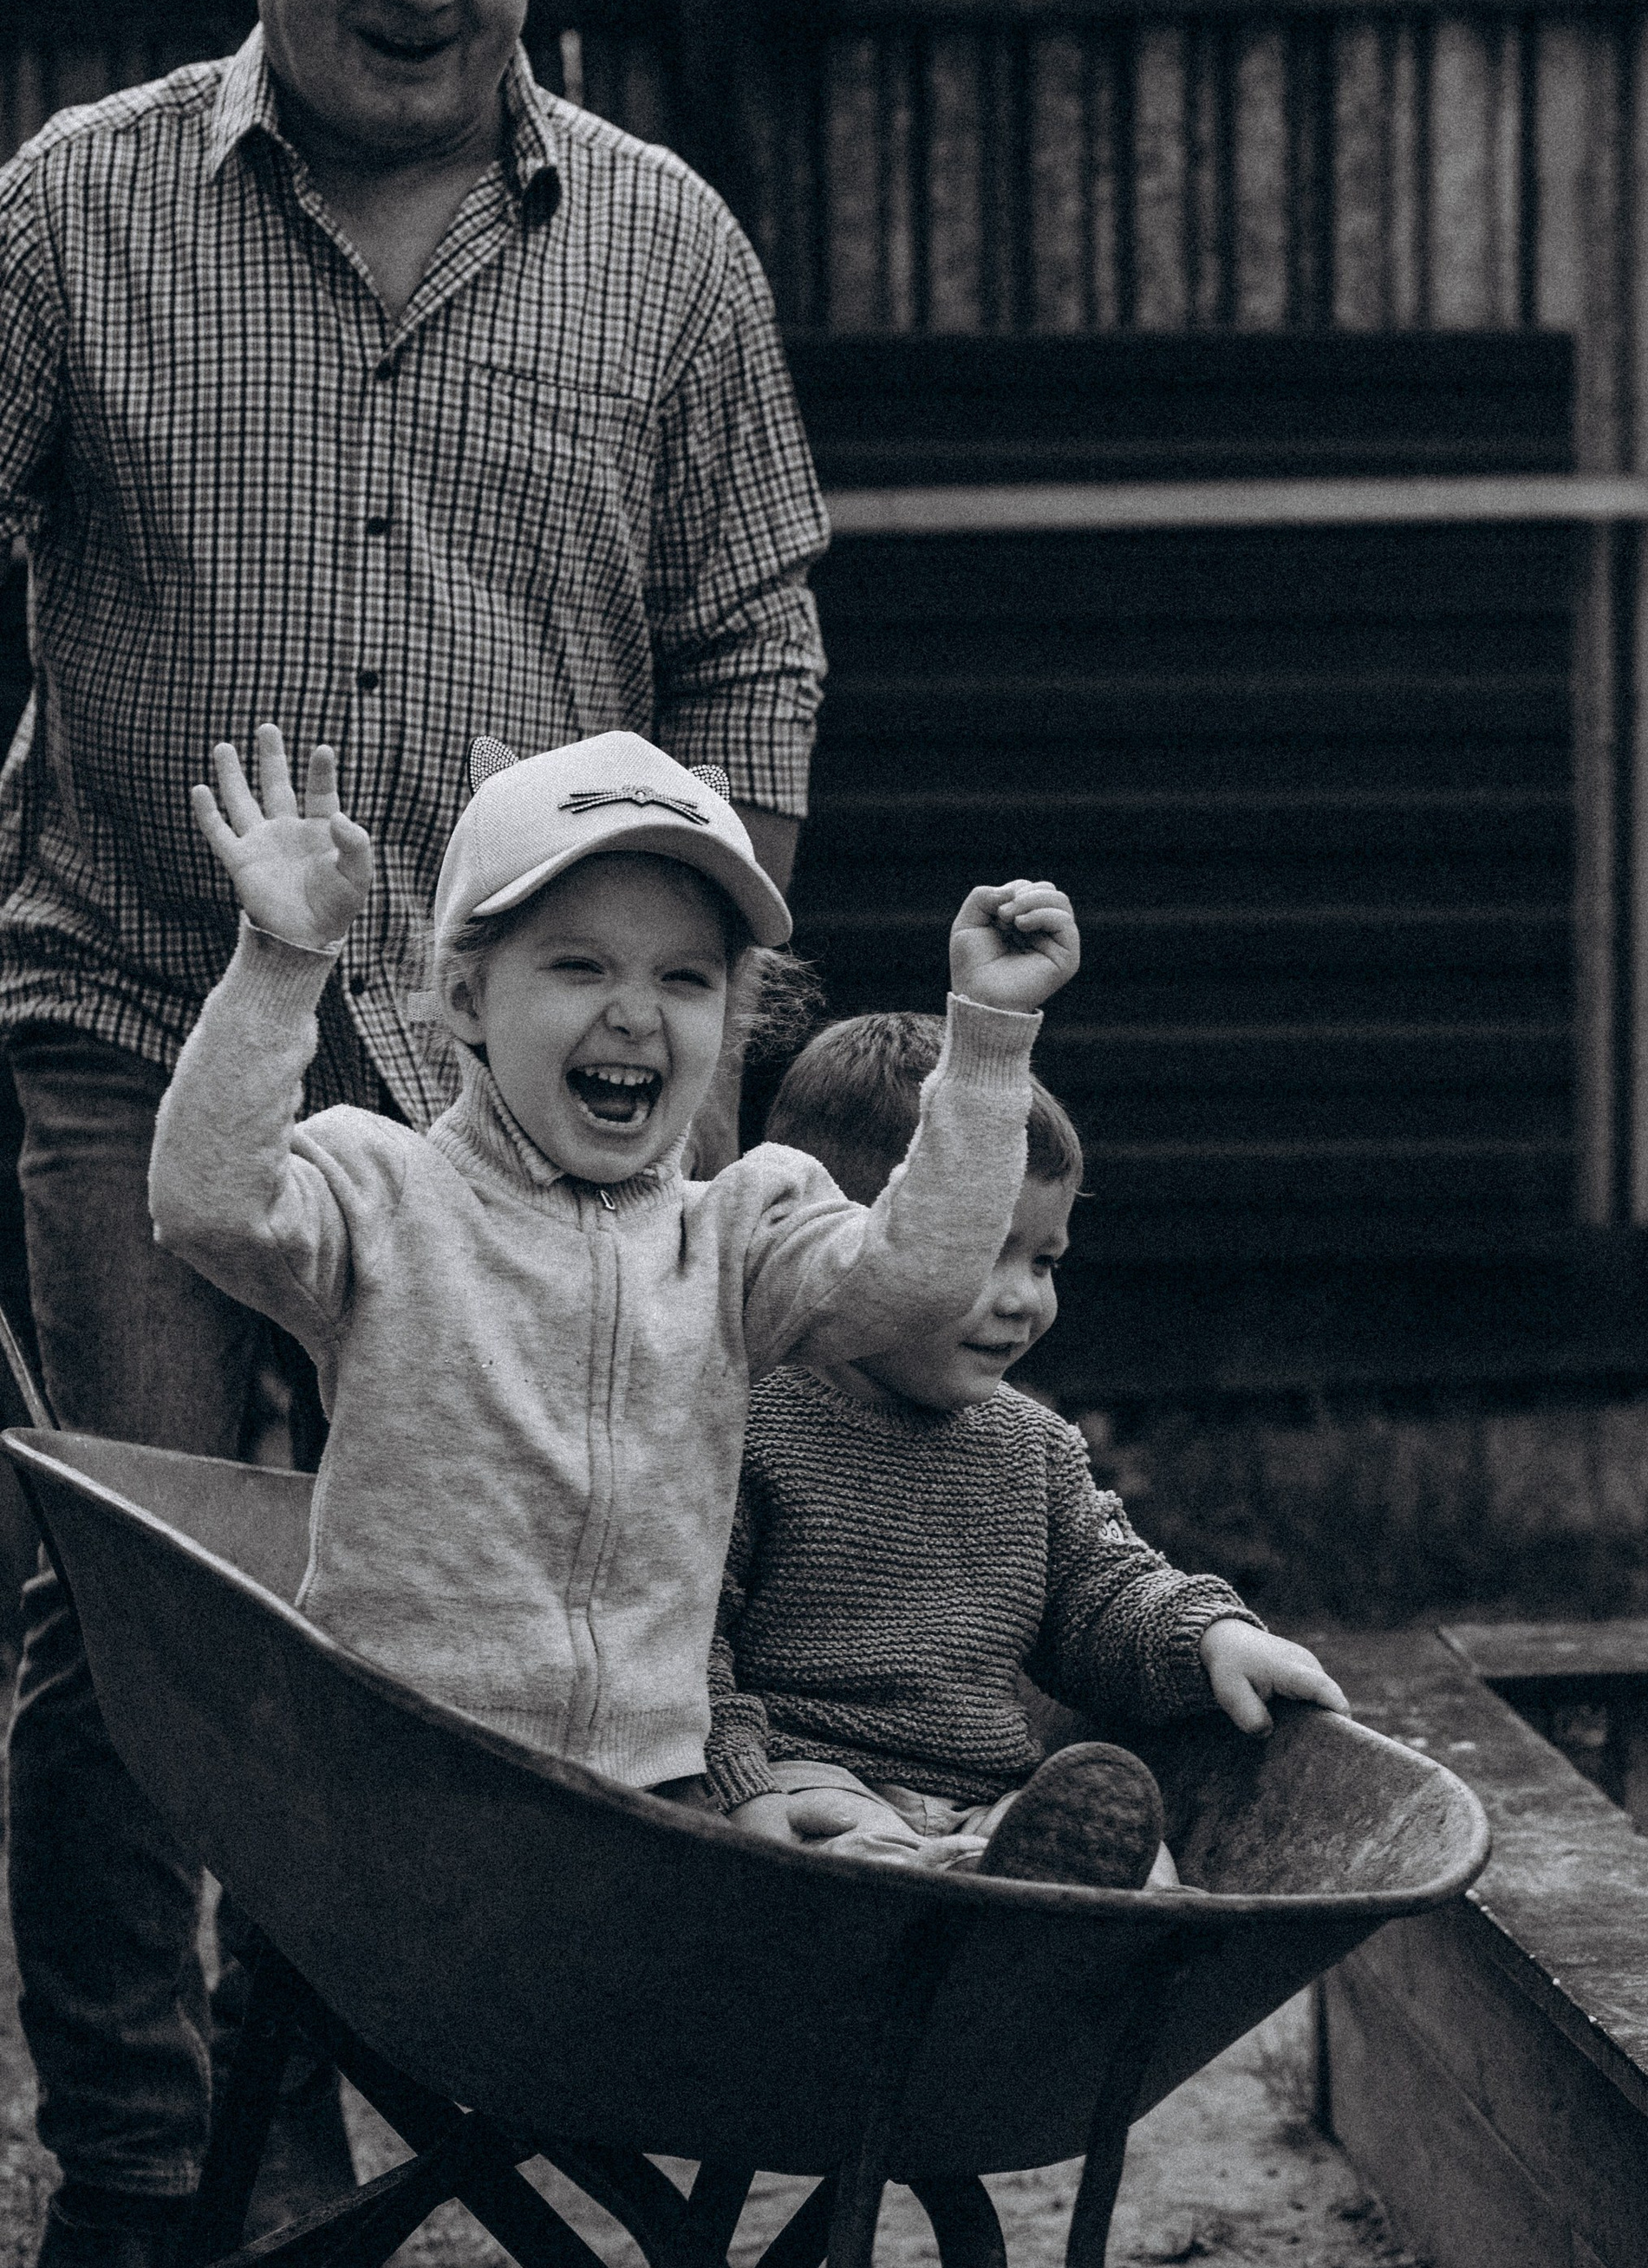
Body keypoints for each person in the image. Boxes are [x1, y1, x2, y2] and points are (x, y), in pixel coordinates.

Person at [0, 0, 831, 2268]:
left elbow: (755, 622)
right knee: (136, 1620)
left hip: (519, 1096)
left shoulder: (663, 248)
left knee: (523, 1597)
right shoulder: (66, 222)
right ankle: (135, 2194)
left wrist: (702, 986)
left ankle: (331, 2075)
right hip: (146, 1010)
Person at [142, 727, 1072, 1821]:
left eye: (684, 977)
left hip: (646, 1791)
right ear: (469, 998)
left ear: (729, 1017)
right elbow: (204, 1202)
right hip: (397, 1768)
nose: (634, 1011)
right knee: (355, 1994)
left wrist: (992, 1041)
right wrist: (281, 961)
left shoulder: (736, 1237)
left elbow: (917, 1279)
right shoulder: (385, 1194)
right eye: (579, 965)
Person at [704, 1012, 1348, 1889]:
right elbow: (686, 1642)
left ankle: (1040, 1899)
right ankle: (920, 1883)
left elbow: (1103, 1591)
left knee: (1140, 1862)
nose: (1021, 1301)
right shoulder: (751, 1423)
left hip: (989, 1791)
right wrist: (743, 1793)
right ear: (851, 1247)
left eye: (1043, 1261)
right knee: (847, 1851)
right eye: (982, 1255)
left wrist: (1211, 1636)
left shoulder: (1029, 1446)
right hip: (805, 1769)